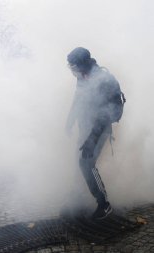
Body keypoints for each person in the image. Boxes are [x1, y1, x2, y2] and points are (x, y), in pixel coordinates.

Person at [65, 47, 124, 220]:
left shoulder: (104, 80)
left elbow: (108, 114)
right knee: (80, 162)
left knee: (86, 163)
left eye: (74, 66)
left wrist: (92, 139)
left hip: (100, 129)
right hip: (86, 127)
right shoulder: (82, 76)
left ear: (83, 64)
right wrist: (70, 120)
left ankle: (104, 204)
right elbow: (78, 98)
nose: (72, 71)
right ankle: (79, 198)